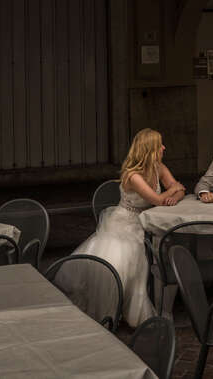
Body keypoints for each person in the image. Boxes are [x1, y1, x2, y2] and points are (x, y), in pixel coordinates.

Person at [56, 128, 186, 328]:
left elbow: (179, 188)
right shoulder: (132, 176)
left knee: (161, 251)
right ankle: (120, 309)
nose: (163, 147)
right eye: (159, 144)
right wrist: (172, 191)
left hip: (147, 221)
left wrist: (175, 192)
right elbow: (158, 200)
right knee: (131, 257)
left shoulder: (158, 167)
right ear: (149, 149)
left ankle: (156, 303)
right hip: (126, 222)